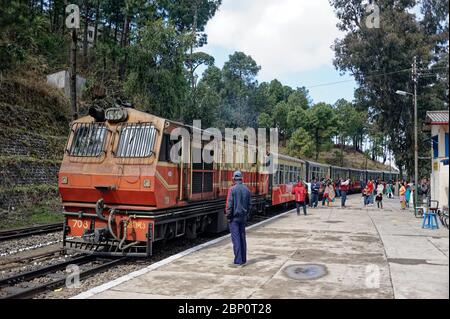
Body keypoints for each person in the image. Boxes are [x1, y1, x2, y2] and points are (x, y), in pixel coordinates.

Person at [225, 171, 251, 267]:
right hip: (243, 218)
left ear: (234, 179)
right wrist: (246, 214)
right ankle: (244, 259)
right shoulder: (247, 190)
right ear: (241, 178)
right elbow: (249, 205)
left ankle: (238, 261)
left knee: (236, 239)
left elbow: (229, 205)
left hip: (234, 218)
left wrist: (228, 216)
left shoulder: (232, 189)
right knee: (242, 238)